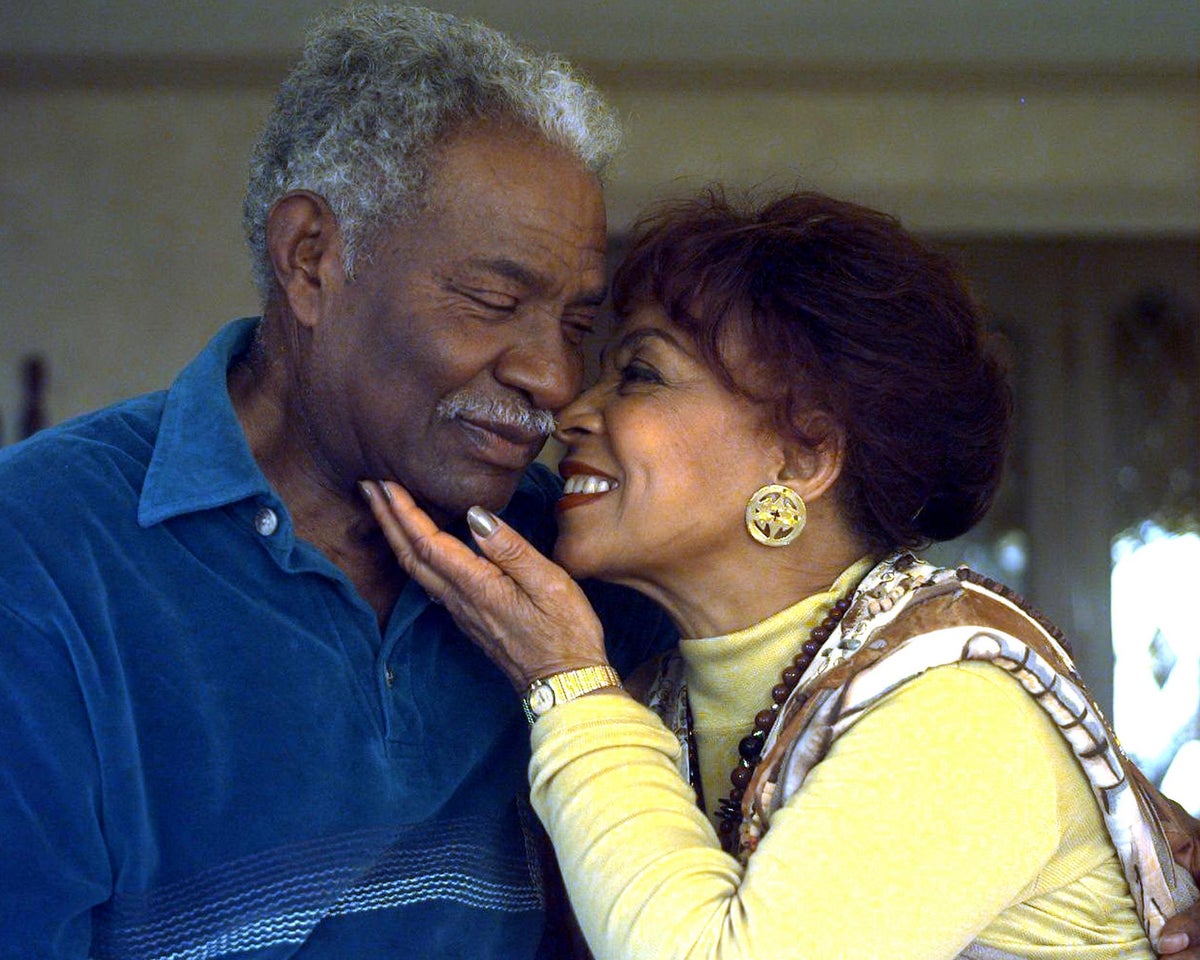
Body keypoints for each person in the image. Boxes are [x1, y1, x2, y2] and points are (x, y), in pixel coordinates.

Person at [364, 187, 1200, 959]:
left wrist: (564, 682)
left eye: (642, 374)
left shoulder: (959, 707)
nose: (572, 412)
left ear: (803, 458)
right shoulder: (667, 698)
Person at [0, 6, 672, 957]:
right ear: (311, 258)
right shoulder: (39, 552)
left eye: (575, 324)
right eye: (492, 302)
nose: (554, 381)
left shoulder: (570, 569)